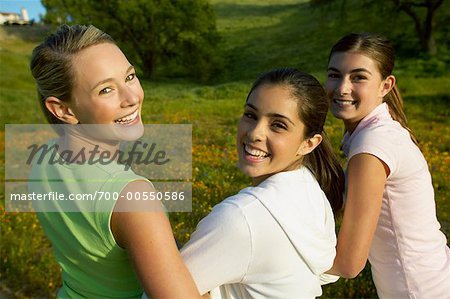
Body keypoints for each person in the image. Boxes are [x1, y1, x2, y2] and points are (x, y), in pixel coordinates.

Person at [28, 24, 200, 298]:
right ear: (62, 109)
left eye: (129, 77)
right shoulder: (133, 196)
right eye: (105, 90)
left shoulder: (43, 158)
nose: (132, 98)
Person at [181, 68, 345, 298]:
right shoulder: (312, 192)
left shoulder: (241, 217)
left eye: (278, 125)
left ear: (308, 144)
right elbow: (323, 273)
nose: (255, 133)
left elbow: (162, 291)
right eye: (251, 115)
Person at [324, 32, 450, 298]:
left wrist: (268, 271)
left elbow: (349, 263)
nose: (342, 87)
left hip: (417, 291)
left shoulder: (373, 145)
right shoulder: (379, 132)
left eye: (358, 77)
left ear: (386, 85)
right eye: (335, 75)